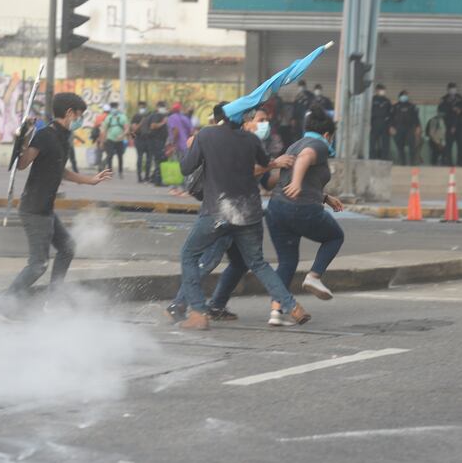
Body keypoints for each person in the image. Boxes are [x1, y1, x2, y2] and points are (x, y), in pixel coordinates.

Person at [176, 106, 310, 331]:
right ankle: (292, 306)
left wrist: (192, 146)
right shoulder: (251, 140)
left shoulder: (206, 135)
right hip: (249, 213)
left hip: (218, 211)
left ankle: (198, 312)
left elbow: (186, 167)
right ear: (243, 120)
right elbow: (264, 163)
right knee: (258, 263)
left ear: (220, 118)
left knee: (189, 255)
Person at [6, 93, 112, 298]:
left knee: (67, 248)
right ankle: (2, 307)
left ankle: (54, 298)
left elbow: (60, 170)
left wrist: (90, 180)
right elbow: (22, 163)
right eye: (79, 115)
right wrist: (24, 137)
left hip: (45, 208)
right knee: (38, 265)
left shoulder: (63, 138)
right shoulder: (44, 135)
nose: (80, 120)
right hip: (34, 209)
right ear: (69, 113)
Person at [265, 104, 345, 316]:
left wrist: (325, 197)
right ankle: (314, 276)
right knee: (335, 237)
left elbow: (299, 175)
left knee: (287, 261)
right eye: (331, 137)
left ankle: (276, 311)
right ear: (327, 134)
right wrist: (297, 183)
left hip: (276, 208)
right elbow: (305, 158)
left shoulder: (294, 145)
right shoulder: (318, 144)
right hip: (301, 208)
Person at [390, 91, 421, 166]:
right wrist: (391, 127)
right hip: (398, 128)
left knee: (412, 146)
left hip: (410, 128)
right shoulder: (395, 106)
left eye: (406, 96)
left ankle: (412, 163)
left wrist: (418, 127)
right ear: (399, 97)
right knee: (400, 147)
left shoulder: (412, 106)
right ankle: (402, 163)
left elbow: (416, 118)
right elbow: (391, 118)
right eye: (403, 96)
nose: (405, 97)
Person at [438, 82, 462, 166]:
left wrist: (460, 110)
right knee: (448, 145)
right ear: (448, 90)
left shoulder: (461, 98)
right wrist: (450, 110)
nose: (453, 90)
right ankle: (448, 162)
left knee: (461, 144)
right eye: (451, 89)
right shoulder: (444, 99)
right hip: (448, 125)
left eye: (454, 89)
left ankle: (460, 162)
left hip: (460, 126)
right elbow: (440, 111)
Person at [100, 101, 128, 178]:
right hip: (110, 139)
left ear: (117, 108)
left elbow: (126, 129)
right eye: (112, 108)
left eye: (115, 107)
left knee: (120, 156)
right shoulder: (108, 117)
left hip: (119, 140)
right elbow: (104, 130)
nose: (114, 109)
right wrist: (102, 141)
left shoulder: (122, 117)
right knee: (110, 156)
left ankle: (120, 172)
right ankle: (109, 172)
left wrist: (122, 135)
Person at [148, 101, 169, 186]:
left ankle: (154, 179)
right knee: (159, 160)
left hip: (159, 141)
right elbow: (153, 126)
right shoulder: (157, 115)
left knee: (160, 160)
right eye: (163, 106)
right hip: (157, 141)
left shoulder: (160, 115)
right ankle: (158, 181)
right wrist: (163, 123)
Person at [130, 101, 152, 182]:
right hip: (139, 139)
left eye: (143, 107)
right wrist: (141, 122)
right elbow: (134, 129)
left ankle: (147, 176)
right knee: (140, 158)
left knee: (148, 159)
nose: (142, 108)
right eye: (141, 107)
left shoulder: (150, 115)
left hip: (148, 139)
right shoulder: (136, 116)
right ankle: (139, 177)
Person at [370, 84, 393, 160]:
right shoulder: (372, 100)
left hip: (385, 123)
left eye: (383, 90)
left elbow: (390, 114)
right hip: (374, 123)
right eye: (381, 90)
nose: (383, 92)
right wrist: (369, 124)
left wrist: (390, 125)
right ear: (377, 90)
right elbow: (368, 112)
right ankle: (372, 158)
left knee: (385, 142)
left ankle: (384, 158)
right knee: (372, 142)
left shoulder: (387, 101)